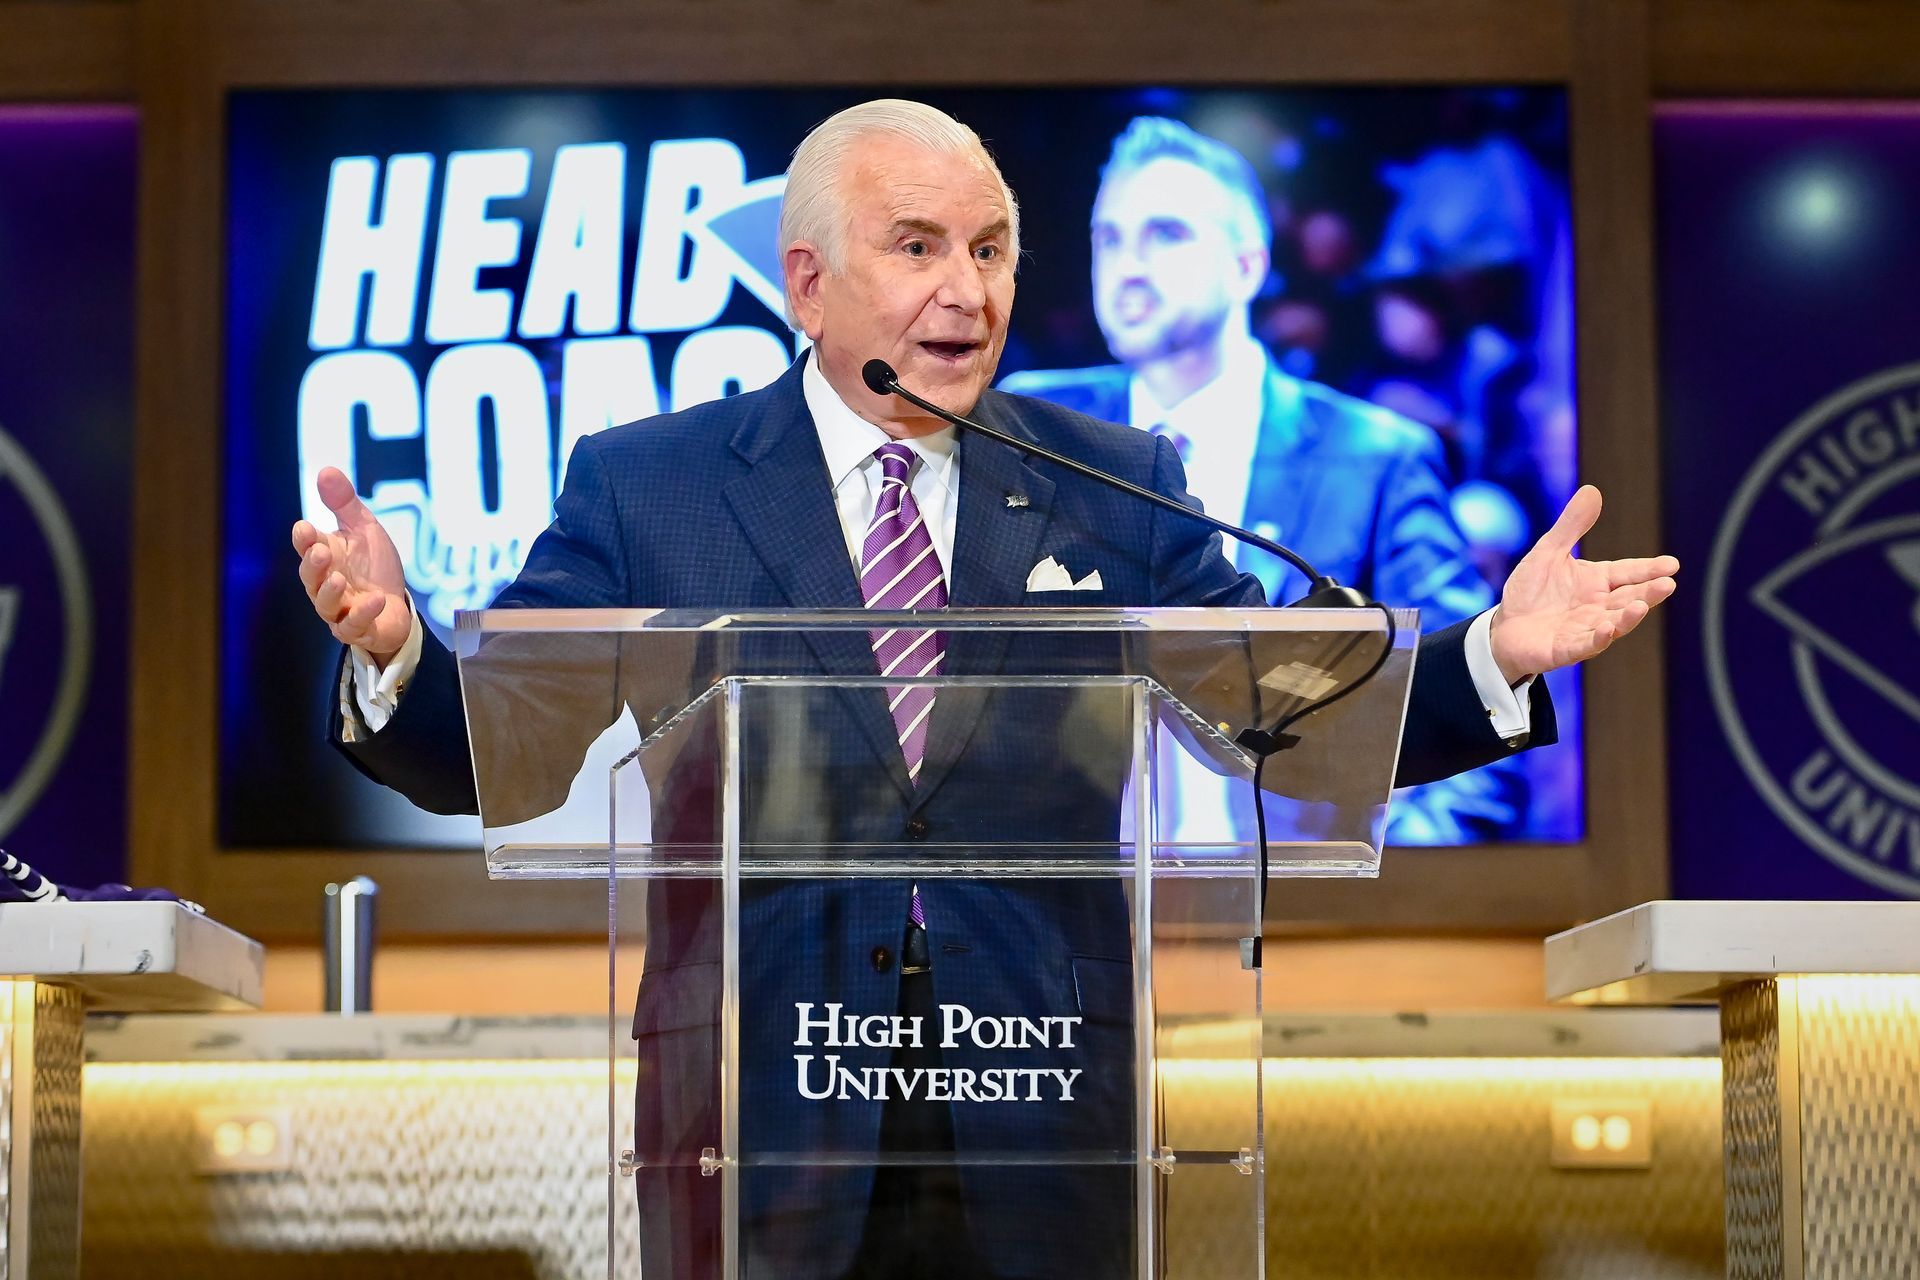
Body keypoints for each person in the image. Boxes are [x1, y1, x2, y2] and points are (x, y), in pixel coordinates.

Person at [290, 100, 1676, 1280]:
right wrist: (395, 647)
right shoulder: (647, 485)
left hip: (1043, 1108)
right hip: (758, 1111)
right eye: (919, 247)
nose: (970, 289)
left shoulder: (1113, 481)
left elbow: (1283, 714)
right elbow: (504, 745)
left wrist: (1493, 653)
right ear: (810, 283)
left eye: (993, 248)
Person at [1000, 116, 1515, 841]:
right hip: (1078, 896)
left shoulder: (1374, 456)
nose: (1128, 267)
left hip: (1304, 898)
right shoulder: (1032, 432)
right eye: (1108, 239)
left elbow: (1472, 710)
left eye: (1166, 234)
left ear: (1246, 265)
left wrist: (1385, 883)